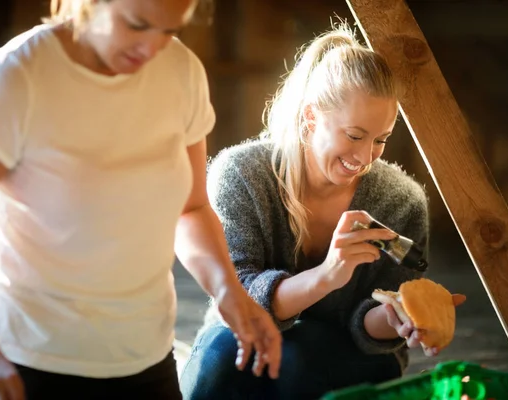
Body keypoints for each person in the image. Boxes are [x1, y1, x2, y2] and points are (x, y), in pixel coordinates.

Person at [0, 0, 282, 399]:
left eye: (170, 30)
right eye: (137, 24)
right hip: (29, 365)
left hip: (147, 359)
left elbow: (190, 209)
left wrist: (230, 293)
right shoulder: (12, 82)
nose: (152, 48)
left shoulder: (182, 72)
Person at [179, 22, 466, 400]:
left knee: (297, 361)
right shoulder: (241, 175)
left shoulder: (400, 200)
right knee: (219, 358)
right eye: (354, 135)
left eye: (381, 140)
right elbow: (237, 296)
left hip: (349, 351)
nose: (365, 157)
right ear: (311, 117)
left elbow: (369, 324)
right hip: (245, 330)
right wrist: (327, 275)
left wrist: (399, 319)